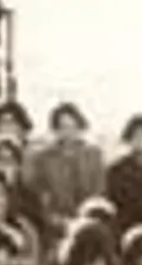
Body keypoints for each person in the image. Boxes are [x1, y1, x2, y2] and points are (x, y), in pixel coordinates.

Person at [21, 103, 104, 244]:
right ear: (56, 130)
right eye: (63, 127)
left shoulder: (93, 155)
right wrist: (55, 219)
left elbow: (99, 189)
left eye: (72, 126)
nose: (68, 132)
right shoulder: (44, 158)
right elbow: (41, 193)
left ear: (80, 127)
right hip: (56, 223)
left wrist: (87, 218)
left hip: (89, 220)